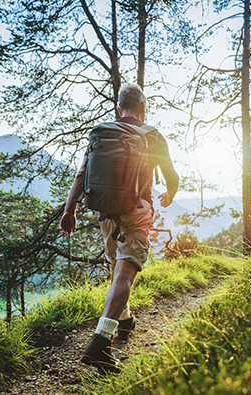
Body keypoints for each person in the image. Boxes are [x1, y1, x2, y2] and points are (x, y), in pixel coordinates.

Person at [59, 83, 179, 374]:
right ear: (143, 108)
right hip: (136, 212)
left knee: (116, 271)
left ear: (118, 108)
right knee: (125, 275)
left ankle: (125, 322)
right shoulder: (151, 135)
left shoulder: (101, 134)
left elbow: (81, 174)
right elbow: (171, 176)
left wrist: (69, 210)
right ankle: (100, 343)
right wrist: (170, 193)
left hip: (105, 212)